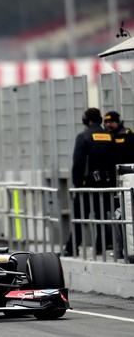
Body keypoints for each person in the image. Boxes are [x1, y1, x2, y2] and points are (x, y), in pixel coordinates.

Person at [63, 108, 116, 257]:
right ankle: (100, 247)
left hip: (86, 185)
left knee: (80, 219)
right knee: (103, 218)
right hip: (106, 185)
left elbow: (78, 163)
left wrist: (77, 184)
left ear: (86, 120)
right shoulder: (109, 136)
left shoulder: (83, 137)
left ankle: (71, 248)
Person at [103, 111, 134, 258]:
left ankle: (122, 250)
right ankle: (119, 250)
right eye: (106, 122)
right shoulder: (107, 135)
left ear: (117, 121)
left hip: (127, 181)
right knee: (117, 216)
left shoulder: (125, 134)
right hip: (115, 182)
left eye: (111, 122)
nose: (108, 124)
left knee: (122, 215)